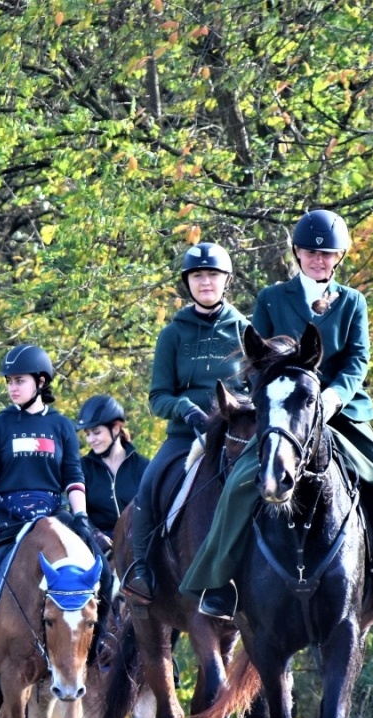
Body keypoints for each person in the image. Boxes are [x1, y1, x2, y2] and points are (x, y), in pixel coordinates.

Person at [181, 211, 373, 623]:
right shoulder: (272, 299)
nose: (319, 260)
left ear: (339, 257)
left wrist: (333, 398)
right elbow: (255, 356)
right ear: (297, 253)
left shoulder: (353, 303)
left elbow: (357, 359)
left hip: (338, 412)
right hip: (283, 412)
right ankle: (222, 584)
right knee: (241, 482)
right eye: (311, 252)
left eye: (327, 254)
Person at [0, 344, 93, 670]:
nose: (12, 387)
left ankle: (100, 638)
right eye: (9, 381)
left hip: (54, 516)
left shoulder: (62, 426)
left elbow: (73, 476)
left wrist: (80, 516)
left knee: (102, 569)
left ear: (41, 382)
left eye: (19, 380)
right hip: (6, 517)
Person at [123, 243, 250, 603]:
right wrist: (187, 410)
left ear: (226, 280)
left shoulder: (244, 330)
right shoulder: (172, 335)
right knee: (149, 485)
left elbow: (257, 389)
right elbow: (158, 396)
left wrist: (235, 410)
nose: (205, 282)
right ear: (188, 283)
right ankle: (142, 570)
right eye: (197, 275)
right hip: (186, 436)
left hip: (235, 435)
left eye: (212, 275)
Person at [77, 395, 148, 540]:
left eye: (96, 432)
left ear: (115, 428)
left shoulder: (143, 466)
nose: (91, 440)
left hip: (137, 547)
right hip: (97, 549)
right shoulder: (82, 468)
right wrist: (94, 535)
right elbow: (76, 511)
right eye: (88, 434)